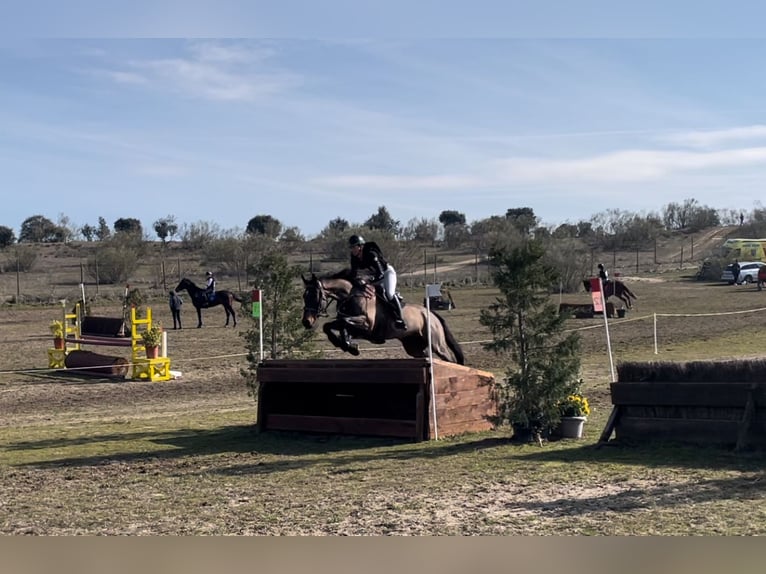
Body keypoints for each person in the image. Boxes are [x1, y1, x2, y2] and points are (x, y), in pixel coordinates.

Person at [348, 234, 406, 329]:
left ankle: (400, 319)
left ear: (360, 246)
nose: (352, 249)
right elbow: (353, 274)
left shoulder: (371, 254)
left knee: (390, 294)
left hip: (387, 273)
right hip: (374, 276)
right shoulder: (354, 257)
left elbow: (381, 274)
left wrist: (368, 281)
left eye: (354, 247)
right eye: (351, 247)